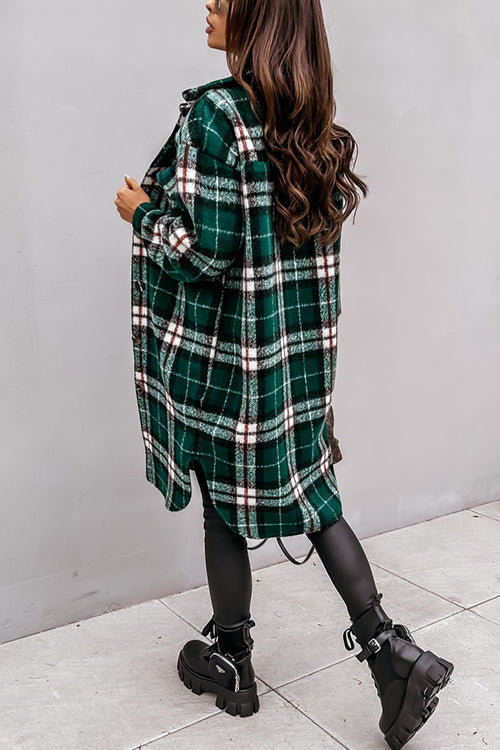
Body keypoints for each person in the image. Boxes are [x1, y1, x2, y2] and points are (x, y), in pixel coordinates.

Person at [115, 1, 454, 747]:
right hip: (295, 362)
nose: (209, 3)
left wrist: (141, 213)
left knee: (222, 505)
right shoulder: (313, 122)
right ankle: (390, 649)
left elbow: (204, 253)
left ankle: (233, 660)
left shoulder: (217, 116)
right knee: (315, 496)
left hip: (228, 361)